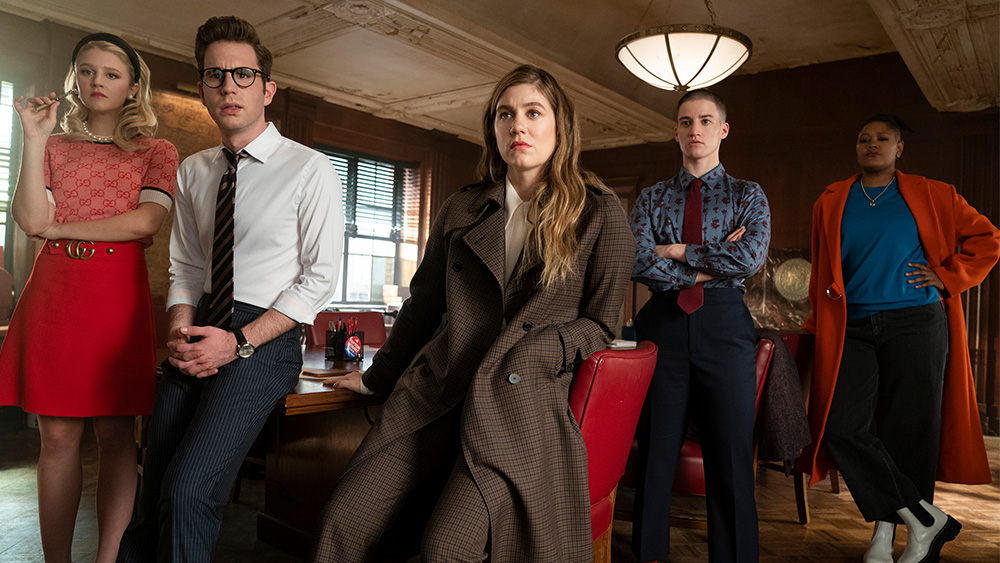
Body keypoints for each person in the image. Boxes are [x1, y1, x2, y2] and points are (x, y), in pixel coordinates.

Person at [312, 64, 635, 562]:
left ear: (560, 128)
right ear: (493, 129)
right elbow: (423, 308)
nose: (517, 126)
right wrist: (377, 378)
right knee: (342, 522)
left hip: (518, 404)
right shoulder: (462, 208)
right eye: (505, 114)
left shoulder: (599, 213)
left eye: (533, 112)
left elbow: (600, 324)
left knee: (446, 549)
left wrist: (540, 349)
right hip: (437, 390)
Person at [115, 16, 344, 561]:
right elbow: (187, 266)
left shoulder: (310, 170)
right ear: (203, 87)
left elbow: (318, 278)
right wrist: (179, 332)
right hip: (197, 329)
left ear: (266, 88)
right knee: (154, 492)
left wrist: (238, 343)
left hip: (263, 340)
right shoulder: (194, 170)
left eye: (243, 74)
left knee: (190, 488)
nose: (228, 86)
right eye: (215, 75)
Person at [0, 33, 178, 563]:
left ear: (133, 86)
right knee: (55, 438)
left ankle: (108, 561)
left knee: (117, 436)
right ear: (75, 78)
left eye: (111, 73)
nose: (97, 81)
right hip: (54, 293)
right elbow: (32, 221)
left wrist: (62, 226)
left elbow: (146, 221)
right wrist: (33, 138)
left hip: (115, 296)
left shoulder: (157, 150)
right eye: (86, 71)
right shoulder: (52, 146)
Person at [801, 114, 999, 563]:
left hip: (917, 321)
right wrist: (814, 329)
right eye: (863, 138)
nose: (872, 144)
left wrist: (948, 277)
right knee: (843, 427)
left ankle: (892, 537)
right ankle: (926, 518)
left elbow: (988, 239)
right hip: (851, 327)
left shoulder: (934, 193)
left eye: (882, 138)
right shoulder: (831, 199)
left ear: (899, 148)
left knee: (911, 432)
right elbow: (820, 271)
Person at [629, 89, 770, 563]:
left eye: (706, 121)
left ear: (722, 130)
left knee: (730, 460)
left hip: (725, 326)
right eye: (686, 122)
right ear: (676, 131)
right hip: (661, 326)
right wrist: (712, 262)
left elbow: (748, 259)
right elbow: (638, 262)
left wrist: (675, 250)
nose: (696, 130)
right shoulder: (651, 198)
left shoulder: (748, 195)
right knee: (654, 457)